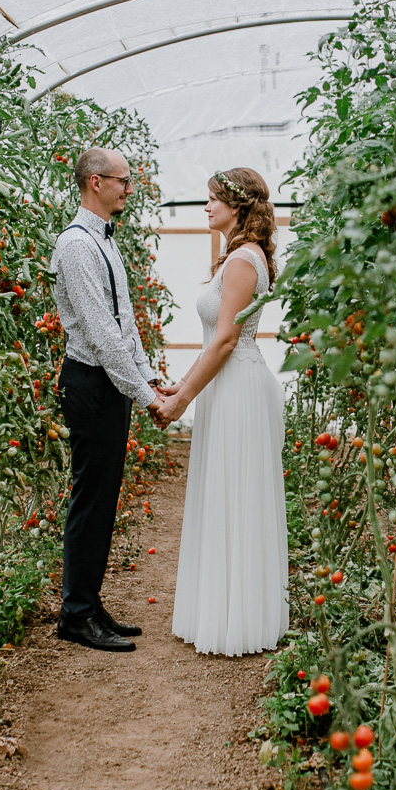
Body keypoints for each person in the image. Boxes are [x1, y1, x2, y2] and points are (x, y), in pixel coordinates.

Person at [155, 168, 289, 655]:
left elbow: (228, 340)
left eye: (213, 200)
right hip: (225, 385)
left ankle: (241, 620)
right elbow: (216, 340)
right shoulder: (236, 257)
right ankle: (225, 610)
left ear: (239, 206)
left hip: (237, 389)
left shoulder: (242, 262)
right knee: (225, 494)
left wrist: (183, 399)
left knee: (237, 496)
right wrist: (184, 383)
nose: (206, 208)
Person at [51, 147, 168, 653]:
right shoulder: (76, 246)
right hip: (89, 380)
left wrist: (148, 379)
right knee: (90, 498)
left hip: (109, 382)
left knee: (103, 497)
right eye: (123, 180)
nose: (129, 188)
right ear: (95, 182)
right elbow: (99, 334)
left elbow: (126, 325)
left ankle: (89, 603)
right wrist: (146, 398)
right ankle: (75, 614)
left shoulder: (105, 242)